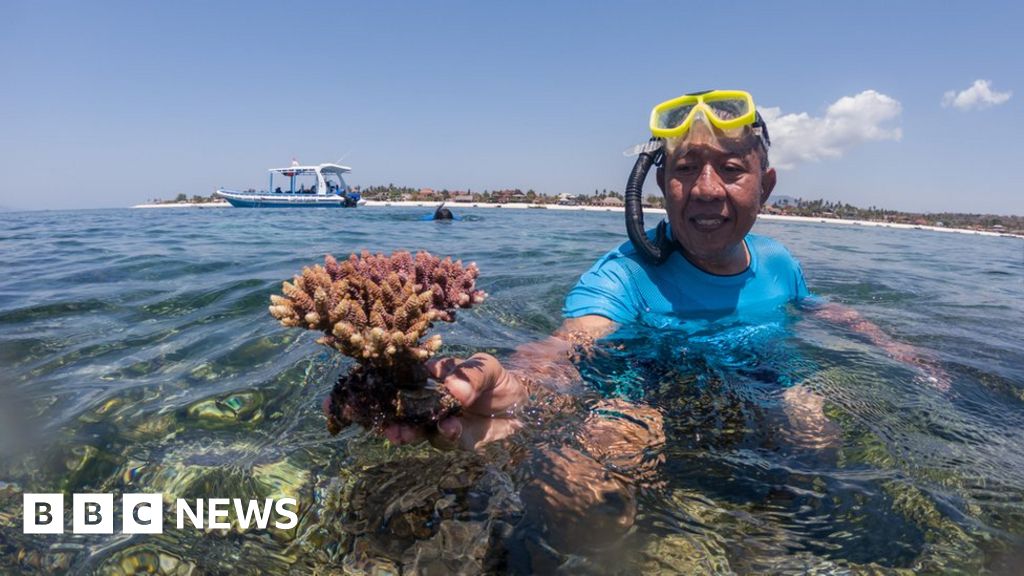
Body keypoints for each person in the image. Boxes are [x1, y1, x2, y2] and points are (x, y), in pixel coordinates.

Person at [336, 89, 947, 547]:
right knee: (588, 482)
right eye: (685, 169)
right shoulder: (624, 274)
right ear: (659, 183)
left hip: (760, 378)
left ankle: (765, 536)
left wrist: (891, 345)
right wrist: (510, 384)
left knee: (817, 435)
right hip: (640, 387)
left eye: (732, 170)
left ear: (767, 185)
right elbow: (570, 344)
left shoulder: (781, 262)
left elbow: (814, 305)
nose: (706, 188)